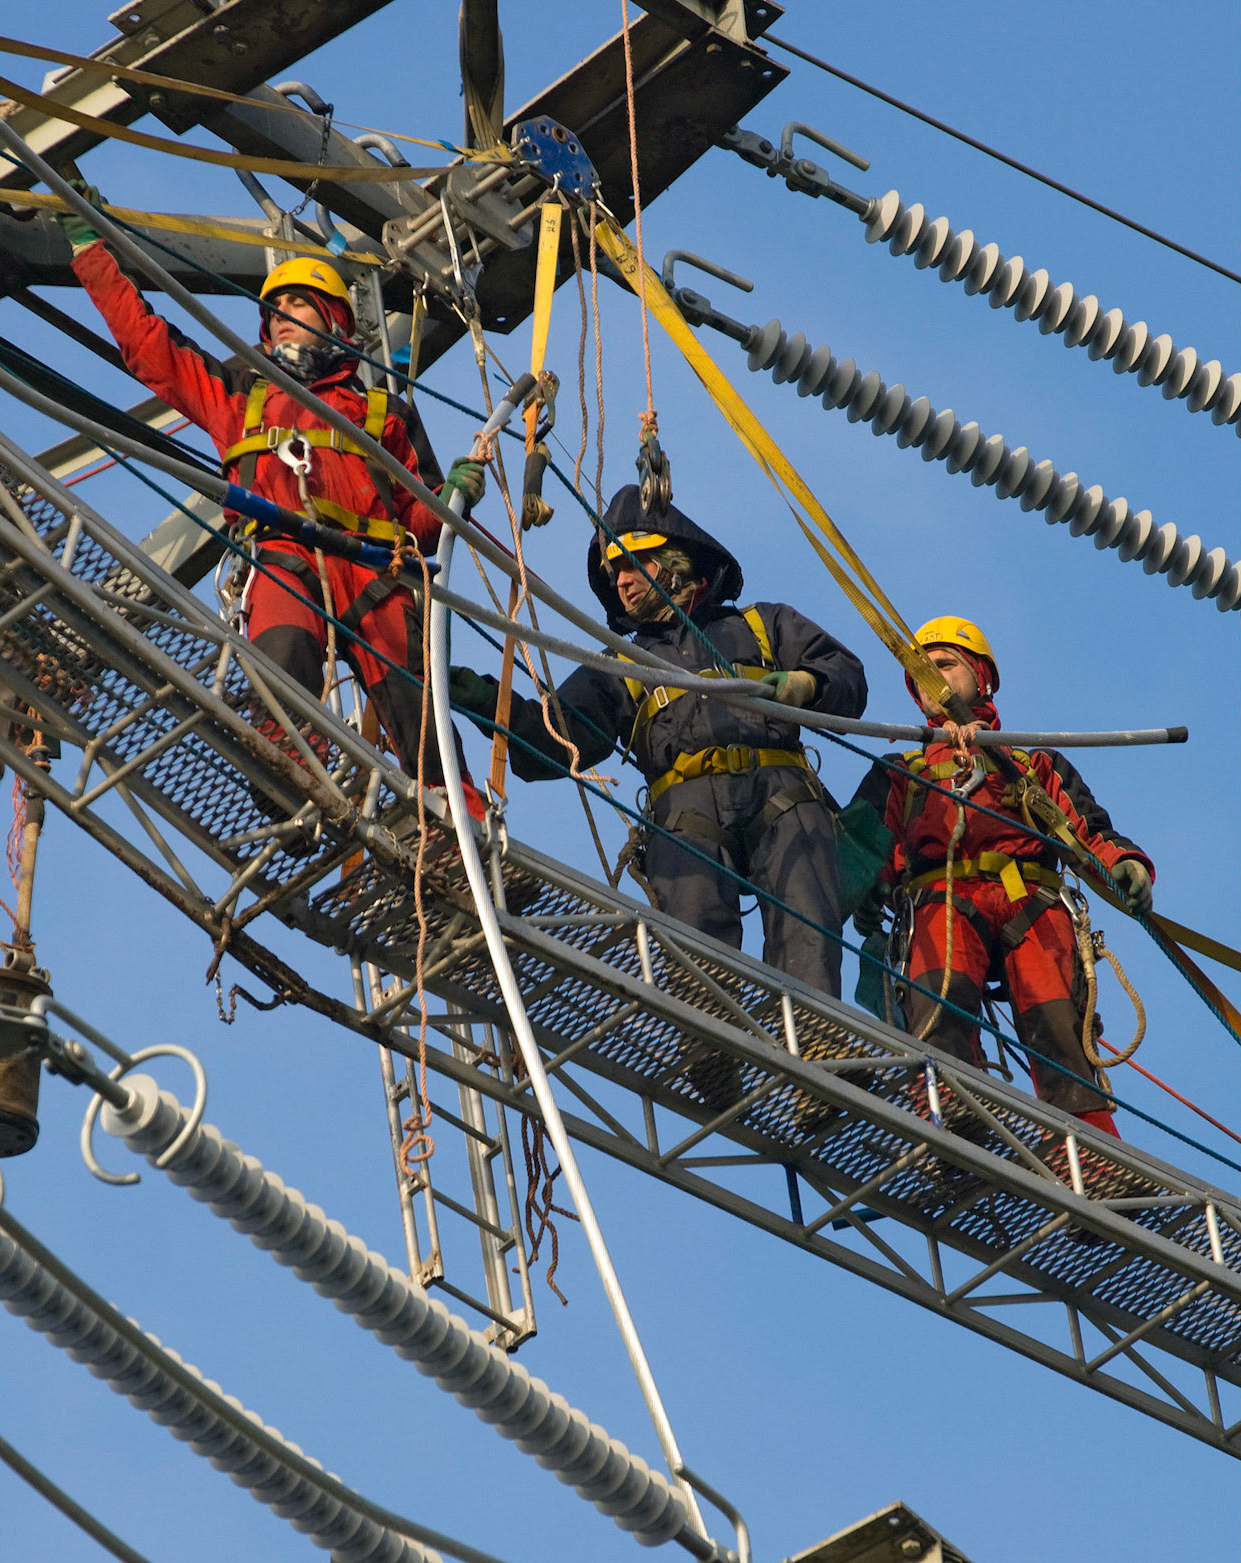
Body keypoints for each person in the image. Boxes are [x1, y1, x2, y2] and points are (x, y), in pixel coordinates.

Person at [59, 193, 487, 813]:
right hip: (284, 550)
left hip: (372, 563)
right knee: (281, 660)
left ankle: (454, 822)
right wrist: (88, 250)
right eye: (275, 309)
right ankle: (290, 776)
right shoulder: (240, 392)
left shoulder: (385, 412)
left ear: (335, 319)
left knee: (414, 701)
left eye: (296, 304)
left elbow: (415, 526)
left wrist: (449, 499)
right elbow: (150, 346)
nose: (280, 316)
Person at [448, 486, 868, 995]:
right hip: (686, 814)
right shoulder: (622, 663)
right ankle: (714, 1059)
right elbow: (559, 735)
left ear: (672, 559)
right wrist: (487, 702)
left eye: (631, 564)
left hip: (782, 794)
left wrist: (808, 684)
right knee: (695, 949)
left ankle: (817, 1043)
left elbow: (845, 673)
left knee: (808, 930)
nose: (621, 582)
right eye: (613, 575)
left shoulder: (762, 624)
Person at [835, 615, 1154, 1136]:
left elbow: (1089, 829)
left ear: (980, 677)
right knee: (940, 1009)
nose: (932, 677)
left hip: (1029, 902)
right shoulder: (902, 770)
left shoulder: (1030, 762)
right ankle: (950, 1122)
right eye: (921, 672)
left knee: (1056, 1027)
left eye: (946, 664)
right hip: (941, 900)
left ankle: (1089, 1154)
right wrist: (869, 888)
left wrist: (1124, 864)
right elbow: (865, 846)